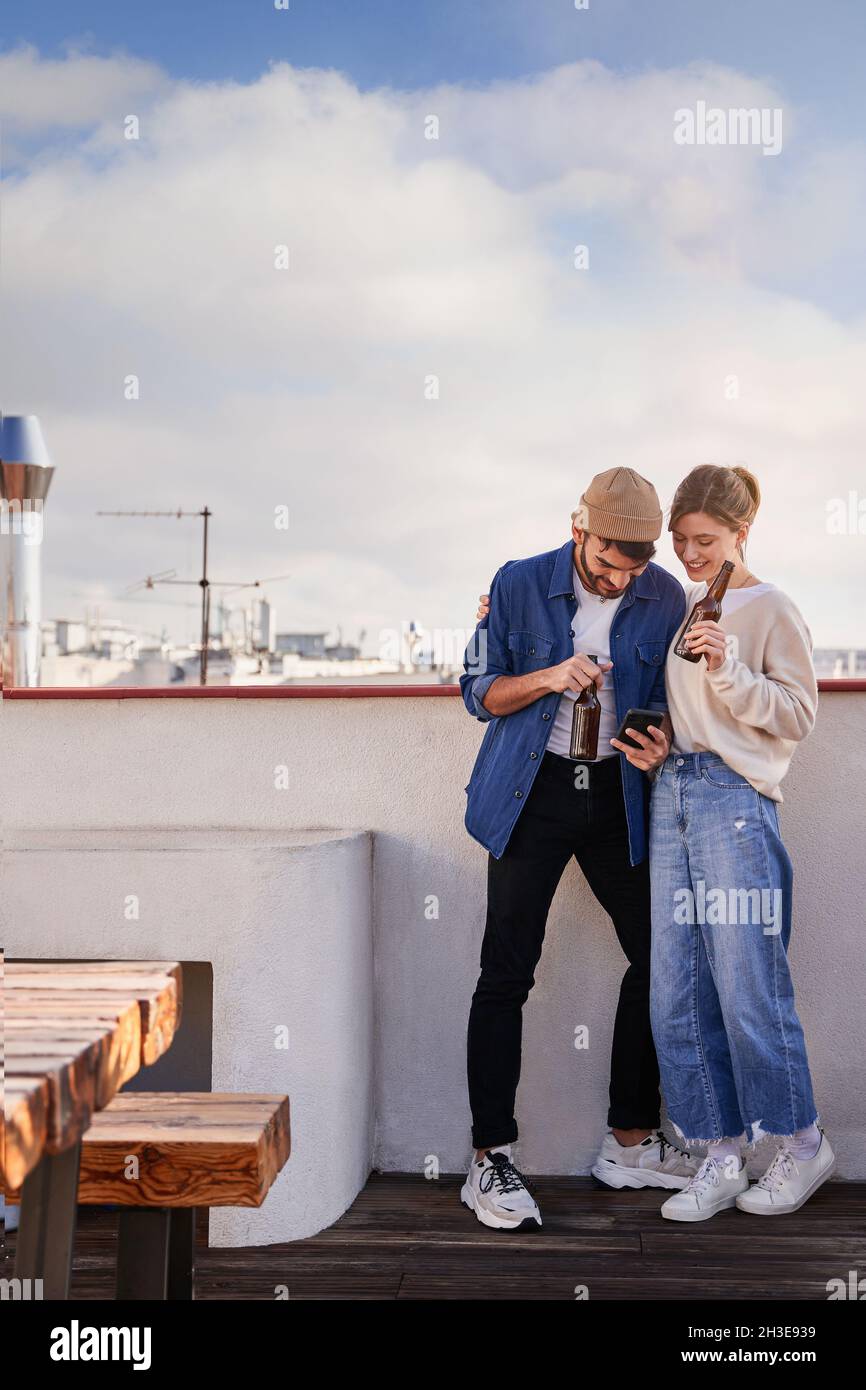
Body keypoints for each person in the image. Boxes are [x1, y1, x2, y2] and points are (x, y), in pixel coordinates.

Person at [458, 467, 697, 1231]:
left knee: (661, 953)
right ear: (578, 529)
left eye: (631, 568)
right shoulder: (519, 582)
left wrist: (659, 744)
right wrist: (548, 677)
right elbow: (477, 691)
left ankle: (631, 1140)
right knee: (507, 972)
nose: (617, 579)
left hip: (618, 795)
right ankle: (489, 1157)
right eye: (605, 563)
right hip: (533, 795)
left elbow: (674, 700)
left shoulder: (664, 596)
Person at [639, 464, 833, 1221]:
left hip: (736, 804)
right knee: (676, 990)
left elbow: (797, 715)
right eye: (679, 540)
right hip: (673, 794)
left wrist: (729, 669)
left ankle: (802, 1141)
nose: (688, 554)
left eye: (705, 540)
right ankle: (718, 1154)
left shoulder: (770, 607)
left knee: (750, 983)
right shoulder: (679, 605)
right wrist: (659, 746)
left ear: (741, 533)